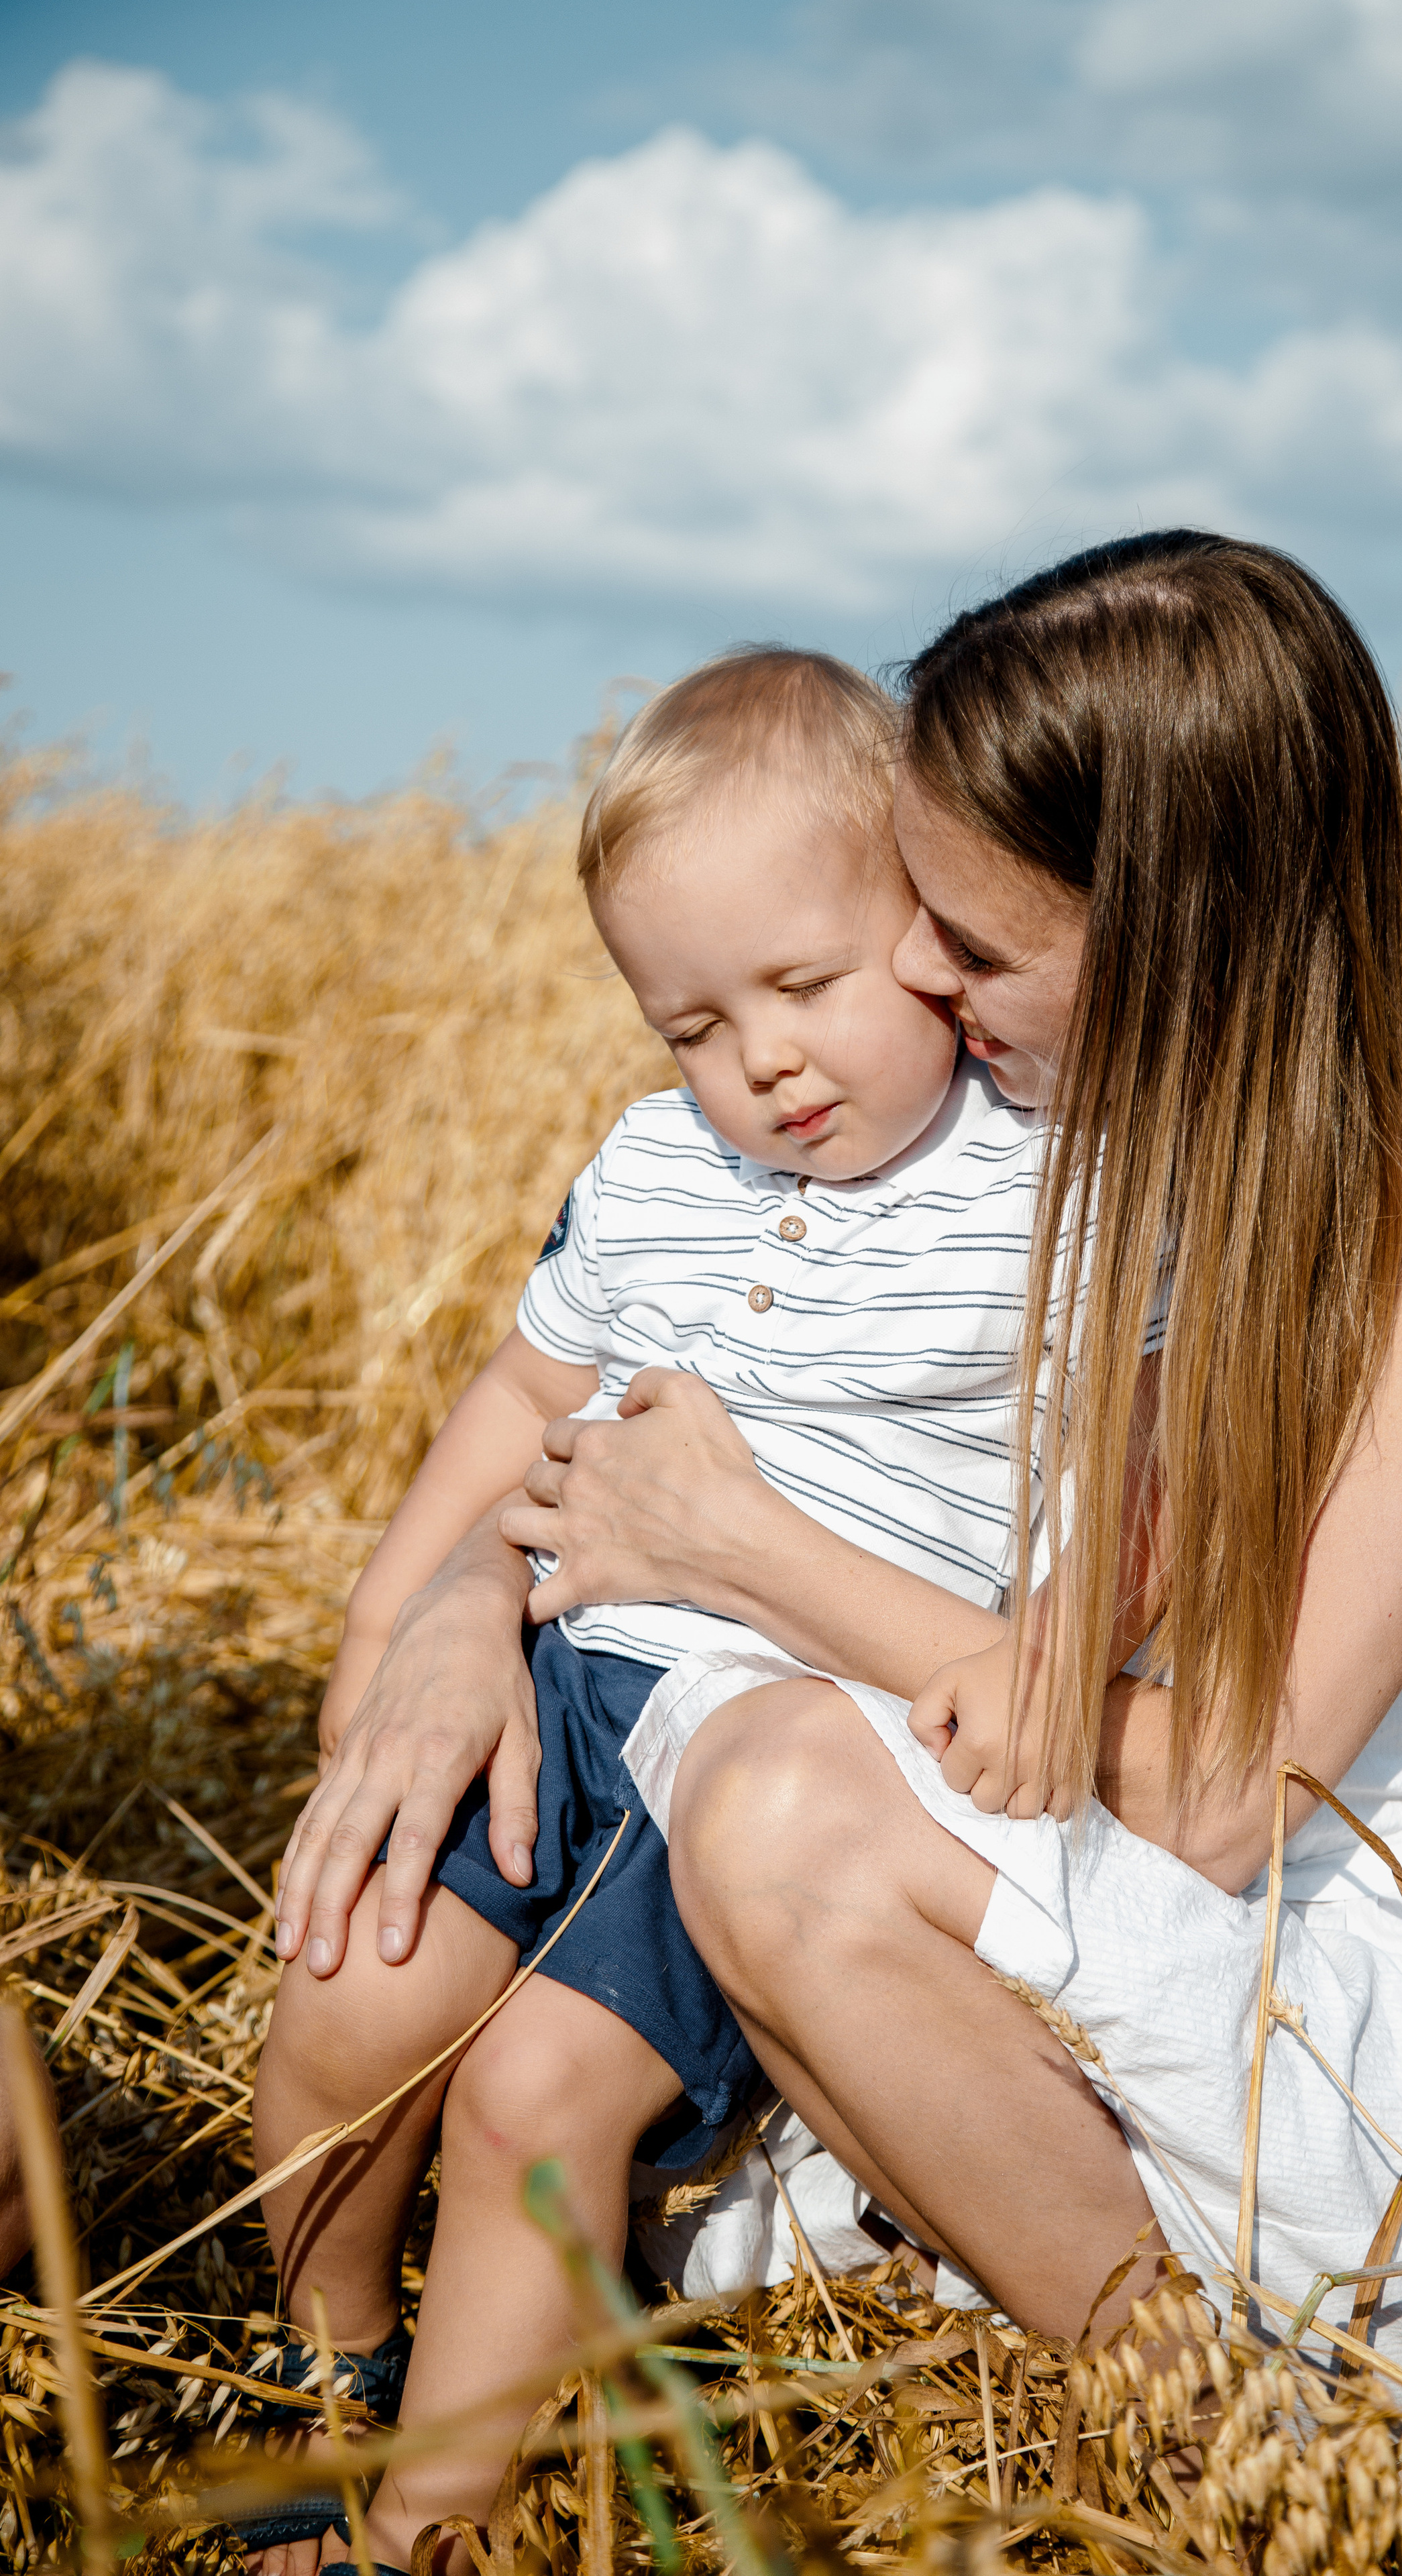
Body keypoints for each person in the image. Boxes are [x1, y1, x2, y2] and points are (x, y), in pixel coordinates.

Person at [276, 535, 1402, 2483]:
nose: (919, 982)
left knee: (771, 1793)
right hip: (988, 1900)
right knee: (612, 1926)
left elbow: (1233, 1796)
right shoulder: (1008, 1151)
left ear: (1170, 923)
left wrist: (740, 1551)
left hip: (1324, 2006)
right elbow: (654, 1385)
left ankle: (1228, 2463)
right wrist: (465, 1594)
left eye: (969, 938)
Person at [245, 647, 1051, 2576]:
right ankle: (321, 2365)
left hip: (776, 1750)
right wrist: (393, 1628)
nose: (761, 1060)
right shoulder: (654, 1168)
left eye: (806, 985)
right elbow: (525, 1390)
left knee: (534, 2097)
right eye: (695, 1020)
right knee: (347, 1995)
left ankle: (433, 2522)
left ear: (930, 933)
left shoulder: (1044, 1184)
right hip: (563, 1678)